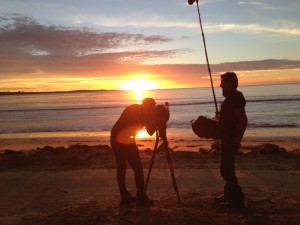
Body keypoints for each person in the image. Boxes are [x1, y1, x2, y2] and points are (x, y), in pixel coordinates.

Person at [110, 97, 167, 206]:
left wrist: (156, 119)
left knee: (121, 168)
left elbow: (150, 131)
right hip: (123, 140)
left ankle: (125, 196)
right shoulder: (137, 109)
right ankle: (141, 197)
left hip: (117, 137)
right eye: (153, 107)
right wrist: (158, 119)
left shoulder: (139, 110)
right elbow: (150, 130)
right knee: (137, 168)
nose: (154, 109)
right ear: (148, 106)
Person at [214, 72, 248, 210]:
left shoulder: (236, 97)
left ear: (229, 83)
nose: (220, 85)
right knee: (229, 168)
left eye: (223, 82)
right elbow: (231, 118)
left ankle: (238, 200)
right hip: (226, 138)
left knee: (225, 171)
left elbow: (243, 120)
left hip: (230, 139)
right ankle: (228, 194)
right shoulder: (230, 99)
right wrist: (221, 117)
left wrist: (237, 139)